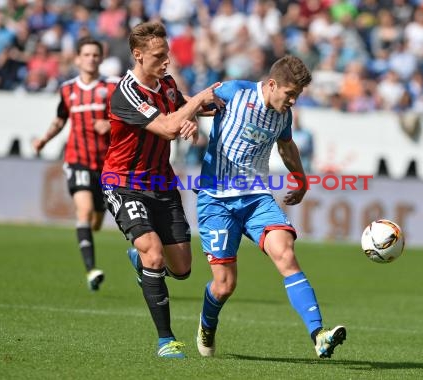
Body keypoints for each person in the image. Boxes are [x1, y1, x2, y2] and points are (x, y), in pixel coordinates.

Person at [194, 55, 347, 359]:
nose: (293, 101)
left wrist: (301, 180)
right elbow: (195, 101)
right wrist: (187, 117)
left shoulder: (283, 115)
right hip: (215, 199)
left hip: (255, 197)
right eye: (290, 94)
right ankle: (207, 324)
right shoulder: (234, 91)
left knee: (286, 253)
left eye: (297, 96)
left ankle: (318, 334)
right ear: (272, 84)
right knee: (224, 286)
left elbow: (286, 146)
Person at [101, 21, 222, 359]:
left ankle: (142, 263)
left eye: (167, 55)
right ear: (137, 55)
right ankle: (166, 340)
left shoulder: (167, 84)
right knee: (152, 252)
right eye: (158, 56)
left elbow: (193, 109)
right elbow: (168, 126)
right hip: (124, 183)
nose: (166, 62)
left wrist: (207, 109)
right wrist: (190, 108)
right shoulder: (125, 93)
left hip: (162, 184)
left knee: (182, 269)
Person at [33, 36, 118, 291]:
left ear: (100, 59)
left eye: (96, 55)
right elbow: (60, 119)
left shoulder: (111, 88)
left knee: (96, 222)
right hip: (77, 160)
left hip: (105, 165)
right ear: (78, 58)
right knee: (83, 211)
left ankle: (95, 224)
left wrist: (110, 124)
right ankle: (91, 270)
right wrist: (44, 140)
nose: (91, 59)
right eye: (87, 55)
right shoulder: (68, 89)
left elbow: (126, 120)